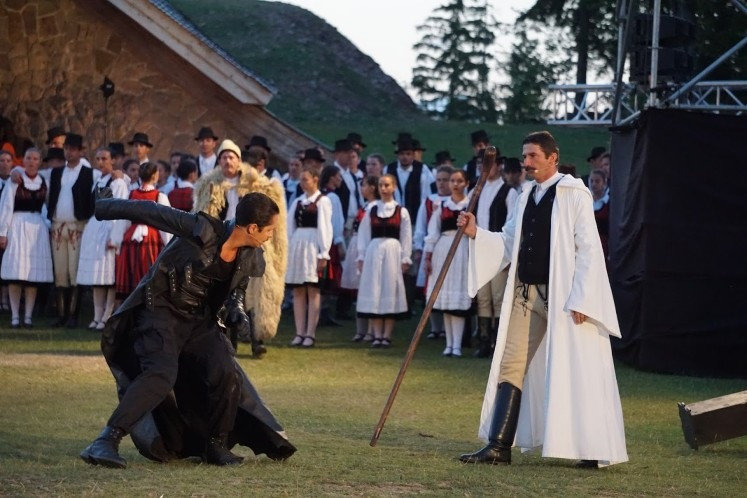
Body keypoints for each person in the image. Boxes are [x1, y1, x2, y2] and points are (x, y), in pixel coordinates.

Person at [80, 191, 296, 468]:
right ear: (253, 228)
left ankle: (216, 445)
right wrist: (104, 206)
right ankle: (106, 440)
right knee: (161, 374)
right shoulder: (200, 229)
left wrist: (237, 310)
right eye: (269, 230)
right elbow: (150, 212)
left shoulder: (250, 253)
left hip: (199, 321)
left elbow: (237, 291)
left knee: (227, 372)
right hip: (160, 312)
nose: (271, 236)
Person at [456, 131, 627, 468]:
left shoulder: (574, 193)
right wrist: (477, 233)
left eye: (533, 155)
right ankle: (498, 445)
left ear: (553, 157)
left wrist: (582, 297)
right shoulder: (525, 196)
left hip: (566, 298)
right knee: (511, 363)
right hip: (527, 294)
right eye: (524, 156)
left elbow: (588, 248)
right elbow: (509, 240)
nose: (527, 162)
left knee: (578, 367)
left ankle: (589, 449)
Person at [193, 140, 288, 357]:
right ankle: (229, 341)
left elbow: (272, 212)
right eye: (224, 157)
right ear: (219, 161)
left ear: (239, 160)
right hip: (226, 243)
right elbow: (202, 215)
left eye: (232, 157)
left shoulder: (256, 183)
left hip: (253, 243)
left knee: (257, 291)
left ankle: (257, 340)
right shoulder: (209, 185)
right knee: (230, 293)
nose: (228, 161)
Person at [471, 153, 519, 358]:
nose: (484, 169)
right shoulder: (476, 191)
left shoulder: (509, 192)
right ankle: (483, 341)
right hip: (480, 251)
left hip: (499, 251)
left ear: (499, 166)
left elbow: (512, 225)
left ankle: (498, 343)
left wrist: (508, 255)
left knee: (499, 298)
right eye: (481, 165)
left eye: (488, 164)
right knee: (483, 298)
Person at [356, 174, 412, 348]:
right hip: (374, 251)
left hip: (393, 252)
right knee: (375, 290)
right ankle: (377, 334)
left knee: (390, 289)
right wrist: (361, 256)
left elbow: (406, 236)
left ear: (394, 187)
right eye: (381, 185)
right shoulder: (372, 210)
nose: (383, 188)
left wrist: (405, 257)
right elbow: (364, 234)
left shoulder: (401, 211)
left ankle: (386, 335)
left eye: (387, 185)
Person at [77, 147, 129, 330]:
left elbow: (120, 208)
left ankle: (107, 315)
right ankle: (96, 315)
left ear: (112, 160)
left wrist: (115, 237)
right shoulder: (97, 179)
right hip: (95, 227)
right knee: (97, 277)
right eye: (98, 159)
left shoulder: (118, 182)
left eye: (104, 159)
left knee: (109, 277)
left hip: (109, 227)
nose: (101, 162)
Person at [0, 148, 54, 327]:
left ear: (40, 161)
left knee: (32, 275)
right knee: (15, 274)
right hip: (17, 226)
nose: (31, 161)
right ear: (23, 160)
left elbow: (47, 207)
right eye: (28, 158)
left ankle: (28, 316)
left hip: (37, 229)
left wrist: (48, 225)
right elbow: (6, 207)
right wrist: (3, 233)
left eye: (35, 158)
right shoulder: (15, 180)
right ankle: (15, 316)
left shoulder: (43, 181)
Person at [424, 169, 471, 357]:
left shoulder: (471, 204)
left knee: (457, 298)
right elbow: (432, 232)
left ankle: (457, 345)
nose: (455, 184)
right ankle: (449, 344)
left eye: (459, 181)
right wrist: (428, 257)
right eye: (452, 181)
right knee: (445, 297)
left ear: (466, 183)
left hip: (463, 249)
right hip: (443, 249)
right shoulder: (441, 206)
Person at [285, 168, 332, 348]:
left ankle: (310, 333)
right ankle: (299, 332)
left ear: (315, 180)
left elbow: (325, 228)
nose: (302, 183)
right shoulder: (298, 201)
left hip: (313, 245)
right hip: (298, 245)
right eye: (301, 180)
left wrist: (323, 253)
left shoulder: (322, 201)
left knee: (312, 290)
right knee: (298, 290)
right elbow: (290, 227)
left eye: (305, 179)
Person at [114, 162, 172, 300]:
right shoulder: (159, 196)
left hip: (131, 237)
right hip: (151, 238)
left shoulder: (130, 194)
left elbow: (123, 221)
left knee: (132, 275)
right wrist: (169, 245)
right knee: (149, 274)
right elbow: (166, 224)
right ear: (155, 175)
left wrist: (118, 242)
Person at [414, 165, 452, 340]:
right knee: (431, 288)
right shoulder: (429, 201)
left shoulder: (458, 201)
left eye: (445, 180)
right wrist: (419, 248)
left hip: (450, 249)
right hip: (433, 248)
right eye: (439, 180)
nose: (442, 183)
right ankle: (435, 327)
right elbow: (421, 226)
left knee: (448, 287)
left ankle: (446, 328)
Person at [345, 174, 378, 342]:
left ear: (372, 187)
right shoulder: (365, 205)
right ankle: (361, 329)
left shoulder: (376, 207)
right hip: (357, 245)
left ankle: (371, 329)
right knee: (359, 289)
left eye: (364, 185)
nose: (361, 188)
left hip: (368, 246)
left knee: (370, 289)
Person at [589, 169, 610, 261]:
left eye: (597, 181)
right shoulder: (585, 200)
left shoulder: (609, 202)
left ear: (604, 183)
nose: (593, 184)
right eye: (591, 181)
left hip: (603, 246)